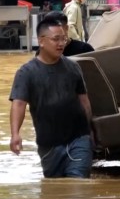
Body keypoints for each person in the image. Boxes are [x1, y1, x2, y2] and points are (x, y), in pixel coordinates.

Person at [9, 17, 93, 178]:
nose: (61, 43)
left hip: (78, 138)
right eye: (56, 39)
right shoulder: (26, 73)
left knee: (78, 184)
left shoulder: (73, 67)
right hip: (49, 145)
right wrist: (15, 134)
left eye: (64, 39)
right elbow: (18, 104)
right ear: (41, 41)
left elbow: (84, 101)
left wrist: (91, 132)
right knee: (55, 192)